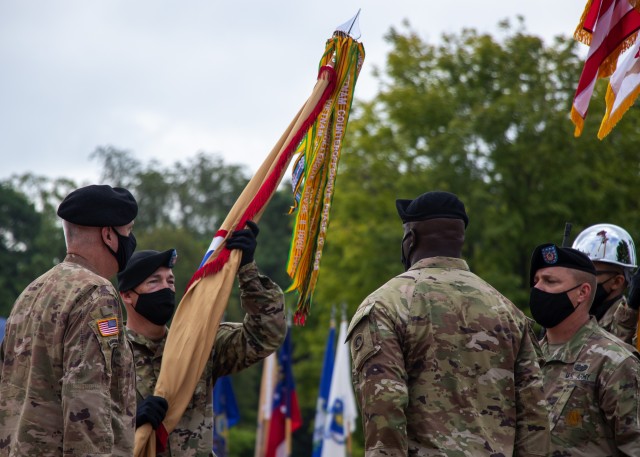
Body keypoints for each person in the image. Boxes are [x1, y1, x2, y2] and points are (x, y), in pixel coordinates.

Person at [346, 190, 549, 456]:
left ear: (410, 239)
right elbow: (534, 416)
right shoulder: (508, 310)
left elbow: (385, 408)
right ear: (459, 239)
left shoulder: (386, 305)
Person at [117, 221, 286, 457]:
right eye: (154, 282)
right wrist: (129, 422)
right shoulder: (110, 354)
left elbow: (266, 335)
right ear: (127, 295)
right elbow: (84, 424)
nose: (166, 288)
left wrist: (247, 268)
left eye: (170, 281)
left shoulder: (197, 343)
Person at [0, 184, 139, 456]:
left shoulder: (31, 292)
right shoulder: (96, 294)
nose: (131, 241)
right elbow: (86, 400)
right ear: (109, 235)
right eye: (129, 231)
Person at [529, 242, 640, 455]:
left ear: (582, 292)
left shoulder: (615, 362)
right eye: (536, 281)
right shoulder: (527, 356)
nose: (538, 288)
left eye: (550, 281)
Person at [571, 223, 639, 345]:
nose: (580, 281)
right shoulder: (572, 317)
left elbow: (619, 357)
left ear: (617, 281)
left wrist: (627, 320)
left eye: (589, 273)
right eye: (577, 273)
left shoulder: (634, 326)